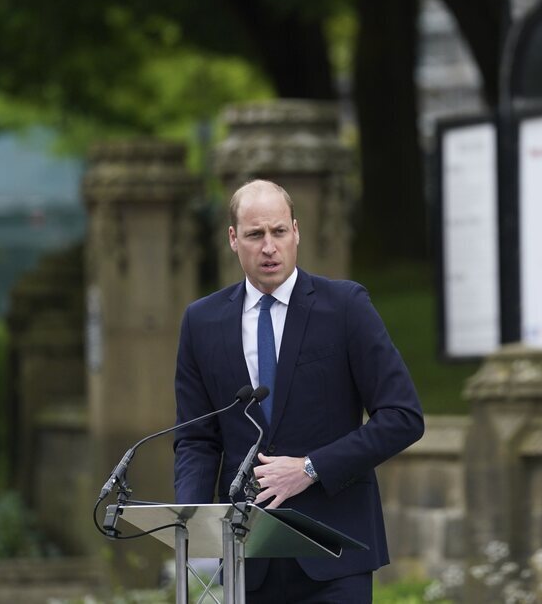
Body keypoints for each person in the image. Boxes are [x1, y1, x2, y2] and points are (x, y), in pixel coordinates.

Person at [173, 179, 425, 602]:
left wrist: (310, 467)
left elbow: (402, 417)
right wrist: (195, 525)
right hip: (246, 559)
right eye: (255, 235)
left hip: (336, 552)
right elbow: (196, 439)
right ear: (233, 239)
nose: (269, 246)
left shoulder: (345, 307)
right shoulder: (202, 322)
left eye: (279, 232)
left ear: (297, 231)